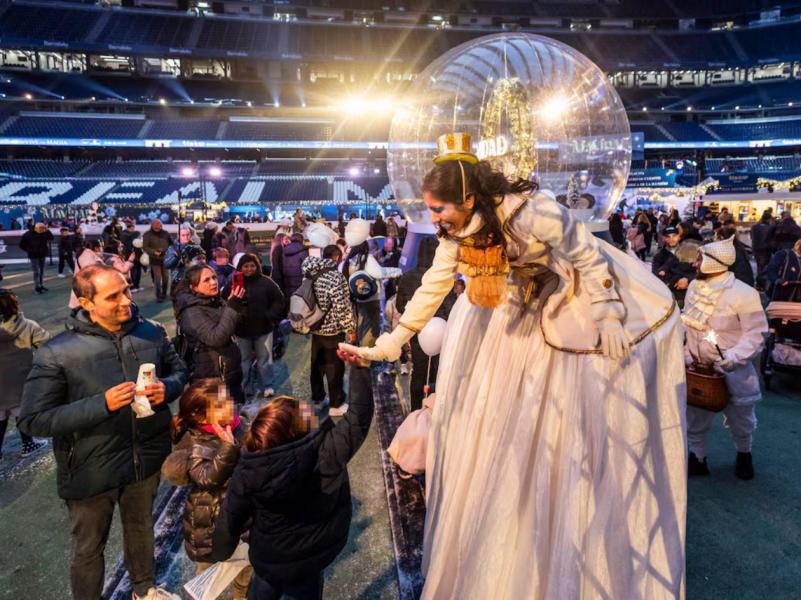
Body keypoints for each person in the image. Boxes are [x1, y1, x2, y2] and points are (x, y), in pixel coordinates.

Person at [339, 138, 686, 599]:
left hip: (570, 296)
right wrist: (386, 346)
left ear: (466, 199)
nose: (434, 217)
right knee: (500, 429)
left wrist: (606, 312)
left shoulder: (529, 212)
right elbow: (430, 290)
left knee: (570, 419)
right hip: (511, 310)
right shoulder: (454, 235)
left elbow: (585, 253)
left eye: (439, 207)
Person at [18, 264, 187, 600]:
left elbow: (180, 371)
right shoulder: (57, 352)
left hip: (145, 457)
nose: (126, 300)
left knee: (141, 530)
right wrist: (103, 404)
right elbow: (33, 420)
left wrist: (165, 389)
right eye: (114, 296)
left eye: (125, 289)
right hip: (90, 467)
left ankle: (145, 590)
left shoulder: (151, 332)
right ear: (86, 302)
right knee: (88, 549)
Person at [210, 365, 374, 599]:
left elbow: (230, 516)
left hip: (269, 558)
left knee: (263, 590)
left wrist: (221, 550)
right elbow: (359, 417)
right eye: (302, 412)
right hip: (311, 558)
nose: (307, 407)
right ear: (294, 431)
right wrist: (361, 367)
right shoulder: (327, 452)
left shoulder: (249, 470)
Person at [683, 236, 768, 480]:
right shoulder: (692, 287)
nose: (694, 264)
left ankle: (744, 455)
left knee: (741, 419)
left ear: (712, 262)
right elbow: (689, 326)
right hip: (699, 369)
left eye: (699, 259)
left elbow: (756, 334)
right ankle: (698, 458)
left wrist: (734, 357)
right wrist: (687, 353)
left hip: (734, 370)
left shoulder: (744, 294)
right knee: (696, 417)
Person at [161, 379, 252, 600]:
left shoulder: (239, 426)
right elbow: (208, 478)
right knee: (208, 576)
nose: (229, 406)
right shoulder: (195, 443)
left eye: (228, 399)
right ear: (201, 417)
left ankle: (241, 595)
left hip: (242, 516)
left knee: (246, 565)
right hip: (210, 522)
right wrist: (229, 447)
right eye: (220, 405)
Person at [396, 237, 457, 411]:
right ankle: (433, 411)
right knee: (438, 372)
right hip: (440, 332)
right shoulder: (442, 278)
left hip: (418, 330)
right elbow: (450, 306)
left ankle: (416, 412)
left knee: (418, 371)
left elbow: (400, 305)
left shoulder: (407, 277)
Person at [175, 264, 246, 405]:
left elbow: (231, 325)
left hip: (229, 374)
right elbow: (215, 338)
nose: (214, 282)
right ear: (193, 287)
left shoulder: (215, 301)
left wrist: (235, 305)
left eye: (214, 277)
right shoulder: (192, 312)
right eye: (206, 280)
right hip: (211, 379)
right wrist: (231, 307)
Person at [302, 246, 357, 416]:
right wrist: (350, 328)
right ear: (337, 257)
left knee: (317, 367)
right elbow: (342, 306)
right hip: (332, 331)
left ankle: (318, 400)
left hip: (315, 328)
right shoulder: (335, 276)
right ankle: (336, 404)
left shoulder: (309, 273)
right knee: (334, 368)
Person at [225, 254, 285, 400]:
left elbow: (279, 299)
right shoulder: (233, 282)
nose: (249, 269)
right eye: (245, 266)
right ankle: (246, 387)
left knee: (264, 360)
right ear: (240, 267)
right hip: (241, 330)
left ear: (257, 266)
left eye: (252, 265)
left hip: (263, 329)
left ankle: (268, 385)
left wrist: (270, 315)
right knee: (244, 361)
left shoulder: (266, 282)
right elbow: (224, 299)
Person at [0, 288, 50, 458]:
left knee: (1, 415)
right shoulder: (28, 325)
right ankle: (28, 444)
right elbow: (46, 344)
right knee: (21, 411)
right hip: (21, 379)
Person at [345, 219, 401, 347]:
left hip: (359, 298)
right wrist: (397, 271)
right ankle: (367, 359)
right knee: (371, 329)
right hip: (370, 298)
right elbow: (379, 273)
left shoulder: (352, 259)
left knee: (362, 326)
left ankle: (361, 356)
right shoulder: (365, 258)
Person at [165, 226, 206, 298]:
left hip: (194, 279)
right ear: (178, 236)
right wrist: (176, 257)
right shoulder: (172, 248)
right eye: (183, 235)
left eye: (188, 235)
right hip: (178, 280)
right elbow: (166, 264)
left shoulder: (196, 247)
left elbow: (204, 261)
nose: (186, 237)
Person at [143, 219, 172, 303]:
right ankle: (158, 296)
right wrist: (154, 252)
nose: (158, 225)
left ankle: (164, 293)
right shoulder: (147, 234)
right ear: (152, 225)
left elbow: (171, 243)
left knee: (166, 277)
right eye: (156, 223)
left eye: (160, 223)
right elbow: (145, 247)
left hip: (166, 258)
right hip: (154, 259)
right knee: (158, 278)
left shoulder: (166, 233)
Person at [19, 222, 54, 294]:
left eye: (43, 228)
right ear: (36, 228)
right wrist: (29, 250)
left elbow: (51, 237)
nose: (42, 230)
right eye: (41, 228)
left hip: (42, 254)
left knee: (42, 271)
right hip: (33, 256)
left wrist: (47, 229)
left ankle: (41, 285)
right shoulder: (27, 234)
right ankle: (37, 287)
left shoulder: (44, 232)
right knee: (36, 272)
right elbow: (21, 245)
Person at [765, 237, 801, 302]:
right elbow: (770, 270)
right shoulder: (783, 254)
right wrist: (778, 280)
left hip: (796, 298)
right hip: (780, 294)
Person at [279, 233, 309, 298]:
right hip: (299, 278)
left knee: (290, 297)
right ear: (301, 239)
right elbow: (306, 264)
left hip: (287, 278)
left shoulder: (285, 249)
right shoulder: (303, 249)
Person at [750, 211, 773, 287]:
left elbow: (751, 237)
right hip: (765, 250)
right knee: (763, 268)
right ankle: (761, 284)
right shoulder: (770, 228)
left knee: (759, 266)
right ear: (768, 219)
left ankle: (758, 283)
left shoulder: (754, 227)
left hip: (756, 249)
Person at [120, 221, 143, 292]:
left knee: (138, 271)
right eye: (133, 227)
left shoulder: (134, 234)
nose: (134, 228)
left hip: (138, 254)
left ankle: (137, 285)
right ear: (130, 227)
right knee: (133, 271)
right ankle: (133, 286)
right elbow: (127, 244)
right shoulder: (125, 234)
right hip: (131, 255)